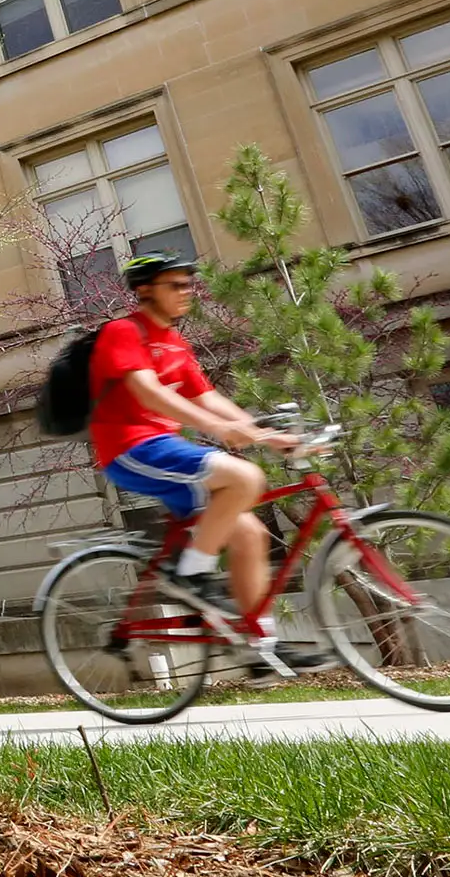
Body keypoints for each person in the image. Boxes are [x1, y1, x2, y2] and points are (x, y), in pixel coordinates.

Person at [89, 252, 331, 671]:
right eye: (175, 285)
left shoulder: (174, 342)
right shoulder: (123, 332)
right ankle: (191, 574)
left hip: (164, 449)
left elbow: (207, 397)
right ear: (145, 289)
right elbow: (149, 393)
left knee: (251, 537)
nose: (187, 292)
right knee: (243, 477)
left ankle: (260, 649)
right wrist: (218, 431)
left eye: (189, 284)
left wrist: (269, 436)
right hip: (131, 449)